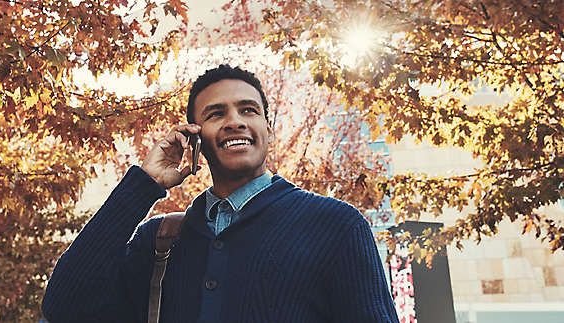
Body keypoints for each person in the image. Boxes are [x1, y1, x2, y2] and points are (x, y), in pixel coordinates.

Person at [42, 64, 399, 323]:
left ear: (267, 129)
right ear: (195, 139)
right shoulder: (159, 240)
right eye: (216, 114)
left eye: (249, 110)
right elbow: (64, 307)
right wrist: (143, 186)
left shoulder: (337, 225)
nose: (235, 121)